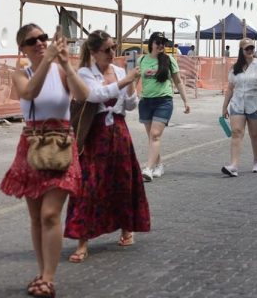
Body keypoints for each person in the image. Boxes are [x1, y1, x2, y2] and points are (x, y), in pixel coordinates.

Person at [0, 24, 89, 298]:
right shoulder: (19, 74)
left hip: (61, 145)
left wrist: (64, 63)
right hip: (33, 145)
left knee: (50, 214)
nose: (39, 43)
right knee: (36, 217)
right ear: (22, 48)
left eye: (43, 38)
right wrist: (47, 59)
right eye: (31, 41)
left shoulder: (61, 70)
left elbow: (84, 96)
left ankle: (48, 278)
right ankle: (42, 272)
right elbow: (30, 93)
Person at [65, 30, 150, 263]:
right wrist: (124, 81)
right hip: (95, 134)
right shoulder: (85, 72)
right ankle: (82, 241)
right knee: (88, 185)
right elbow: (94, 95)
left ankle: (127, 229)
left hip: (119, 132)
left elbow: (131, 106)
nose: (113, 53)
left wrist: (133, 85)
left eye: (114, 47)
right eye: (107, 49)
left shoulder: (120, 71)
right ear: (94, 52)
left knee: (123, 180)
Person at [221, 38, 257, 176]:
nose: (250, 51)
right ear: (241, 50)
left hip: (256, 103)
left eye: (252, 48)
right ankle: (234, 165)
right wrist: (224, 107)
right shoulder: (235, 68)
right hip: (238, 103)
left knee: (255, 135)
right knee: (236, 132)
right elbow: (230, 88)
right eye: (247, 48)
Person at [138, 32, 191, 182]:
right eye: (158, 42)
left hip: (163, 101)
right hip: (146, 102)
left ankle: (148, 168)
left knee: (155, 134)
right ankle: (159, 164)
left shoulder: (169, 60)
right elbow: (135, 79)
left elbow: (178, 81)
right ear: (151, 44)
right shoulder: (142, 60)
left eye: (163, 42)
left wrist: (186, 101)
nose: (161, 45)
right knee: (152, 137)